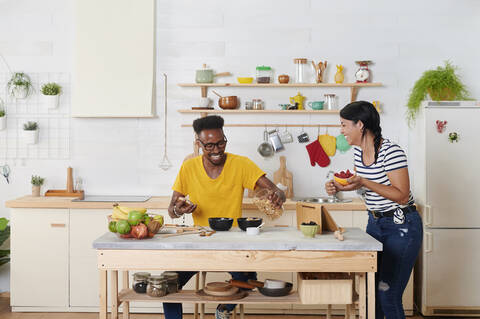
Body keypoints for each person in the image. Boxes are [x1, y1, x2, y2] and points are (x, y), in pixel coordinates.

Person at [164, 115, 286, 319]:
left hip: (231, 241)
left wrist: (278, 196)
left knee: (248, 282)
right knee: (167, 284)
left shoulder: (241, 164)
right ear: (199, 143)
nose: (217, 149)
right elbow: (171, 210)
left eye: (221, 143)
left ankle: (223, 310)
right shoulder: (189, 167)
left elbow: (277, 191)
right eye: (209, 145)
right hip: (198, 240)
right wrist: (179, 209)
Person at [325, 101, 422, 319]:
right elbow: (366, 189)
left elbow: (401, 195)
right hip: (376, 224)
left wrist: (364, 182)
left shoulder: (391, 151)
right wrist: (339, 188)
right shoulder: (359, 154)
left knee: (387, 293)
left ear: (360, 124)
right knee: (371, 293)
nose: (341, 131)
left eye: (343, 125)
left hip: (402, 227)